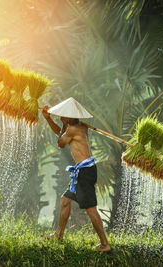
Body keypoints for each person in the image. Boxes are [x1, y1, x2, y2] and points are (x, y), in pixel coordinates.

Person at [42, 97, 111, 252]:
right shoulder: (79, 127)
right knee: (65, 200)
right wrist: (50, 119)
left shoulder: (73, 129)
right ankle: (59, 234)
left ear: (68, 117)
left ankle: (105, 245)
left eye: (62, 116)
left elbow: (60, 142)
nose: (59, 117)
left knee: (91, 209)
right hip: (85, 169)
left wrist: (57, 122)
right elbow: (63, 134)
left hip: (85, 172)